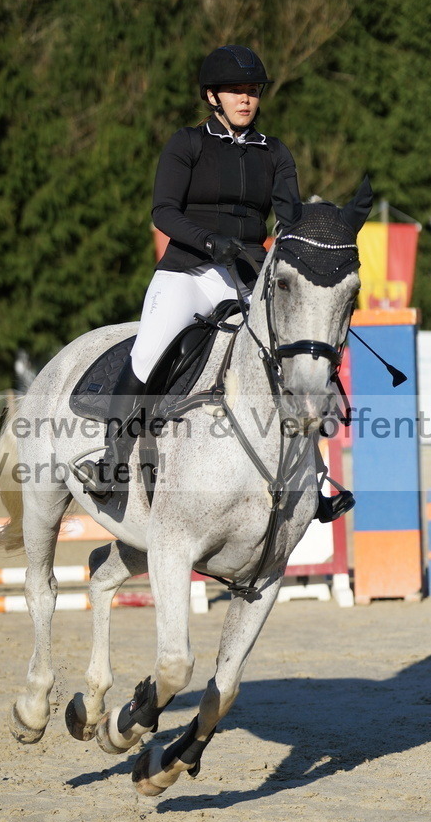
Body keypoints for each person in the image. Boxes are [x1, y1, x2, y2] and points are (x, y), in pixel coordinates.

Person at [76, 45, 352, 520]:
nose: (246, 99)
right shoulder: (187, 144)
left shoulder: (275, 152)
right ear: (212, 96)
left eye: (253, 91)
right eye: (236, 91)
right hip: (187, 271)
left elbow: (287, 218)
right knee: (149, 348)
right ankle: (111, 462)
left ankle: (315, 479)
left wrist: (318, 225)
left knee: (291, 356)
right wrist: (209, 242)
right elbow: (163, 211)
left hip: (245, 278)